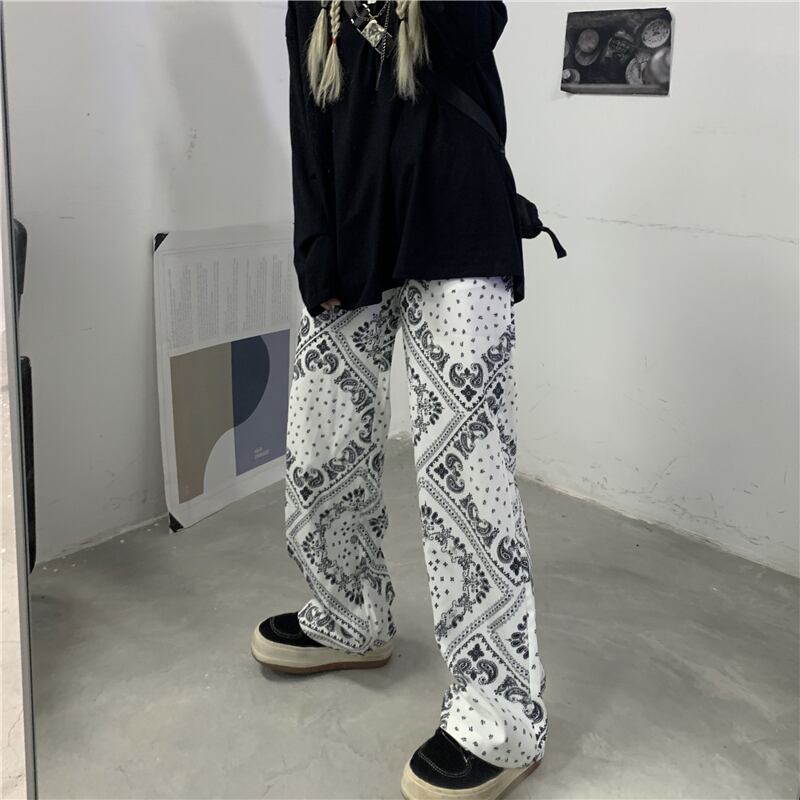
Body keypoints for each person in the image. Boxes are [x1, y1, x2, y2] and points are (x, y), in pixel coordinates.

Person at [250, 2, 548, 797]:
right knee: (318, 448)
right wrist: (313, 252)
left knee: (465, 476)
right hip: (353, 236)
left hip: (458, 226)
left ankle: (502, 715)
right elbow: (308, 121)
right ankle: (350, 615)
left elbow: (470, 28)